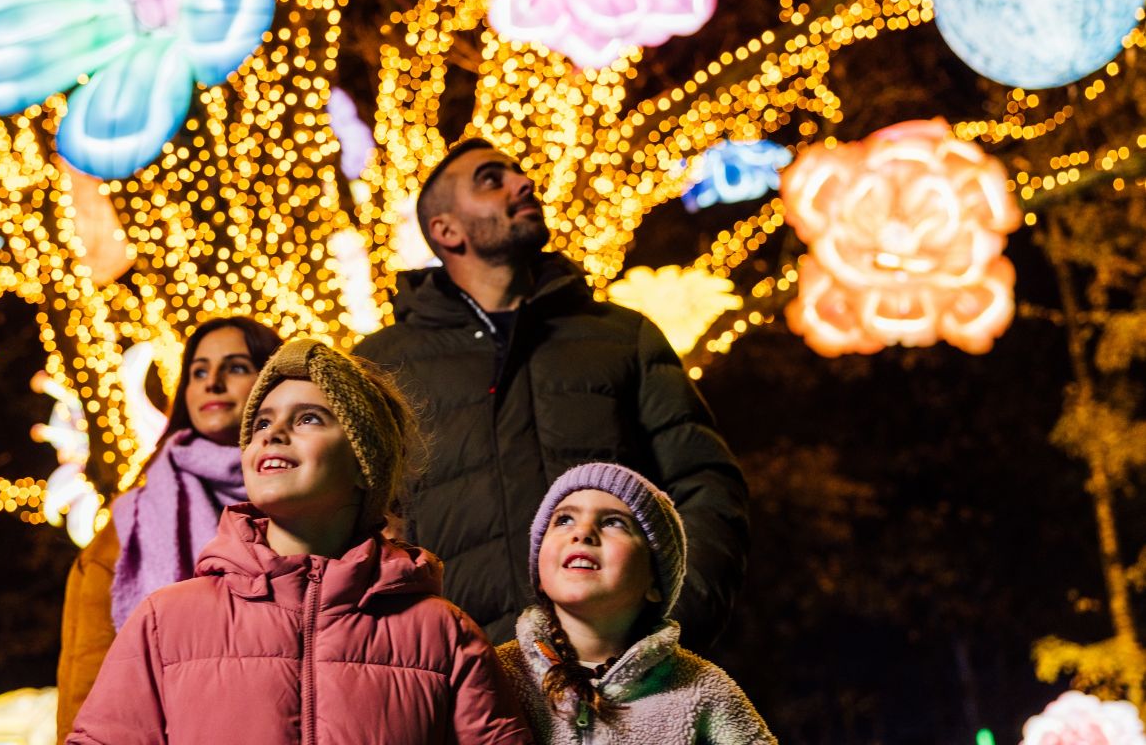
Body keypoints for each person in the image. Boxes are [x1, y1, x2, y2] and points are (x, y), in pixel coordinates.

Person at [354, 138, 749, 649]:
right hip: (459, 685)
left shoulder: (623, 337)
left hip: (619, 682)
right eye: (491, 180)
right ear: (445, 230)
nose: (523, 184)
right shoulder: (381, 364)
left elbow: (704, 484)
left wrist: (669, 628)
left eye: (518, 174)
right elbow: (352, 526)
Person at [68, 339, 533, 745]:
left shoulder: (443, 633)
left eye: (309, 418)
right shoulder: (165, 620)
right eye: (262, 424)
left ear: (363, 464)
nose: (274, 434)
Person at [55, 317, 282, 743]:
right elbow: (90, 683)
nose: (211, 383)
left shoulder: (310, 506)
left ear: (273, 382)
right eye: (198, 371)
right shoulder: (132, 526)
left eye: (234, 367)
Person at [496, 463, 774, 744]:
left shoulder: (703, 690)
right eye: (564, 520)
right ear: (540, 575)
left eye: (613, 522)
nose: (583, 532)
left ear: (655, 582)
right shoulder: (494, 673)